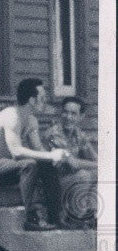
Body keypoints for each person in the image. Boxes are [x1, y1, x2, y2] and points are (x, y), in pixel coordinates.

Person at [0, 79, 69, 230]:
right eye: (42, 98)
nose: (45, 102)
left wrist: (57, 157)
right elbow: (17, 152)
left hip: (10, 167)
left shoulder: (31, 120)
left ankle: (56, 216)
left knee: (47, 164)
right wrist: (51, 155)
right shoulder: (12, 115)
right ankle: (30, 218)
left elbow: (40, 150)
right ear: (32, 100)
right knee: (30, 164)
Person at [43, 96, 98, 227]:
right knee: (84, 175)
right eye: (65, 112)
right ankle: (74, 217)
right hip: (53, 184)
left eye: (73, 113)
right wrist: (100, 166)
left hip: (70, 181)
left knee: (98, 174)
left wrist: (100, 166)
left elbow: (94, 157)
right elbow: (73, 163)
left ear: (81, 117)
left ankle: (88, 213)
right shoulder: (54, 134)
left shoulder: (78, 133)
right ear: (61, 113)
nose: (68, 117)